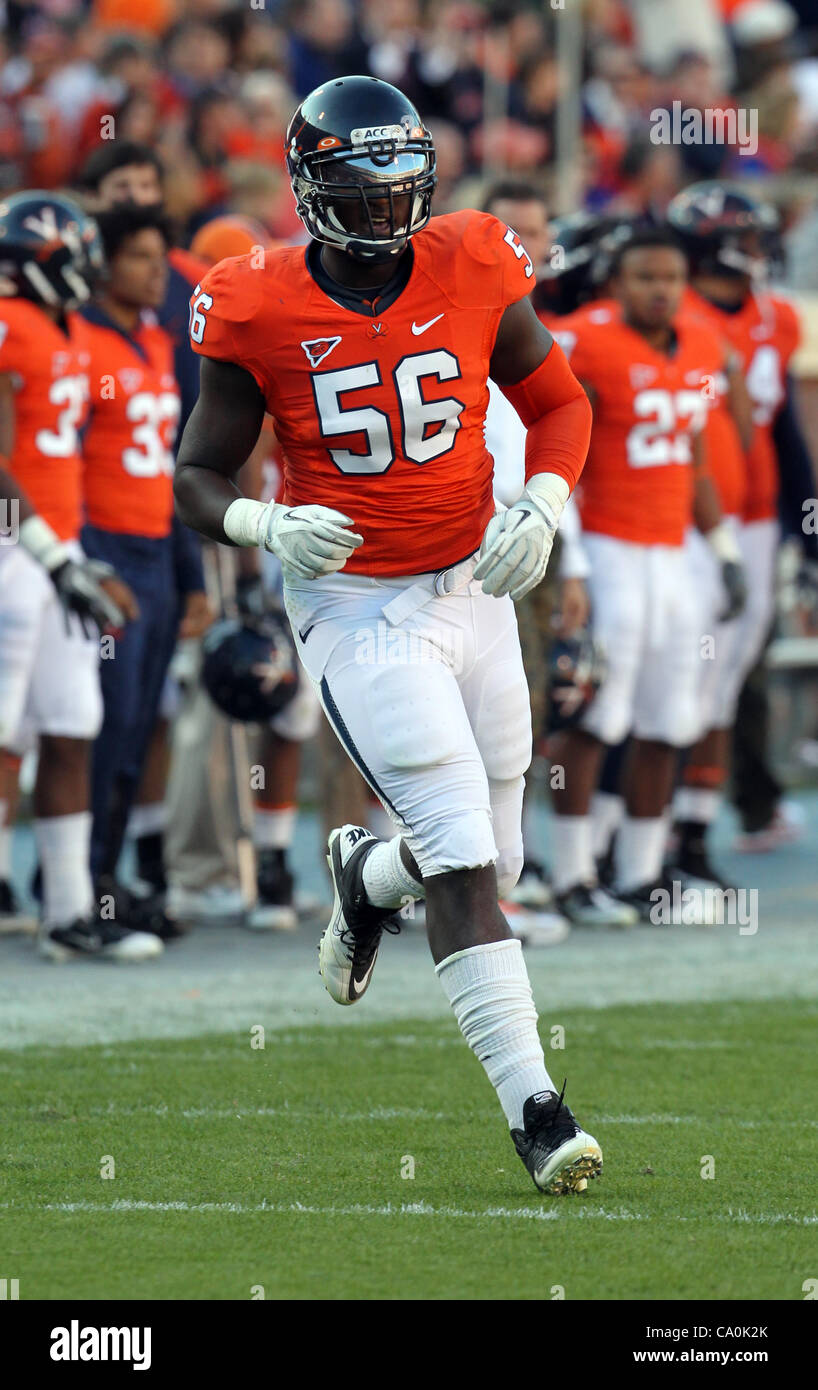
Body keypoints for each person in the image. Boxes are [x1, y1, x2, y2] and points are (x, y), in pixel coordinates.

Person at [175, 75, 601, 1196]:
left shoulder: (470, 257)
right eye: (362, 195)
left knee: (494, 860)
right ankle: (535, 1110)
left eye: (400, 189)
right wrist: (261, 520)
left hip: (472, 582)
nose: (385, 216)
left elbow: (560, 405)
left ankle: (367, 877)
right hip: (355, 602)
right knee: (463, 853)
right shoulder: (254, 302)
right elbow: (196, 472)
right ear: (311, 187)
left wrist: (543, 504)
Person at [552, 228, 746, 923]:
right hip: (609, 548)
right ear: (615, 282)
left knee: (670, 717)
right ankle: (573, 873)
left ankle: (641, 874)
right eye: (644, 278)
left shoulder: (698, 343)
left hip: (675, 550)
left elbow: (693, 457)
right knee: (598, 715)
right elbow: (561, 455)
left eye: (669, 278)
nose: (659, 290)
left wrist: (722, 546)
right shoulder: (586, 343)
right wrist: (567, 557)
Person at [0, 191, 161, 962]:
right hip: (11, 550)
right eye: (81, 254)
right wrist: (48, 553)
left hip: (55, 548)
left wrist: (68, 553)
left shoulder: (65, 326)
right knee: (4, 731)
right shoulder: (9, 325)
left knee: (72, 725)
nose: (93, 269)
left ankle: (66, 909)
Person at [667, 182, 812, 865]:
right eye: (746, 237)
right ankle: (651, 829)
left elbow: (781, 425)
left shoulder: (776, 318)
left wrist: (805, 529)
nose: (758, 250)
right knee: (676, 673)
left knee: (725, 673)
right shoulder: (674, 313)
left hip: (755, 516)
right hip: (682, 516)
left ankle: (691, 828)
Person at [79, 202, 185, 937]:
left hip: (154, 549)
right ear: (106, 262)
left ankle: (110, 879)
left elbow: (171, 469)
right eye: (142, 256)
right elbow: (58, 466)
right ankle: (83, 885)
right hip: (105, 546)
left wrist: (194, 578)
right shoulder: (81, 340)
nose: (158, 271)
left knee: (141, 724)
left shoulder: (153, 338)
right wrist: (83, 558)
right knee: (103, 725)